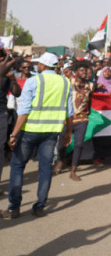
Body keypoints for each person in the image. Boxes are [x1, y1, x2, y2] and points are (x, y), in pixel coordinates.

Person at [3, 53, 73, 219]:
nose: (36, 66)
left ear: (43, 65)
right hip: (52, 132)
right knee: (45, 168)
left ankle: (14, 208)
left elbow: (24, 111)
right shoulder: (65, 82)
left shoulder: (33, 81)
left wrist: (13, 134)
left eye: (38, 64)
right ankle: (39, 206)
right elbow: (69, 111)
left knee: (18, 166)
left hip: (30, 131)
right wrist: (68, 132)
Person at [0, 51, 22, 192]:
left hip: (1, 114)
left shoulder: (8, 75)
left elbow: (17, 93)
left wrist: (13, 79)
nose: (3, 63)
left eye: (4, 59)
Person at [68, 61, 94, 181]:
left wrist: (87, 111)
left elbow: (90, 100)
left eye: (85, 70)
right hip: (68, 118)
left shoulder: (91, 85)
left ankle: (73, 171)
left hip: (82, 118)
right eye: (82, 70)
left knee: (78, 144)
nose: (84, 72)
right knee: (62, 143)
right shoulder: (69, 82)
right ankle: (60, 161)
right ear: (76, 71)